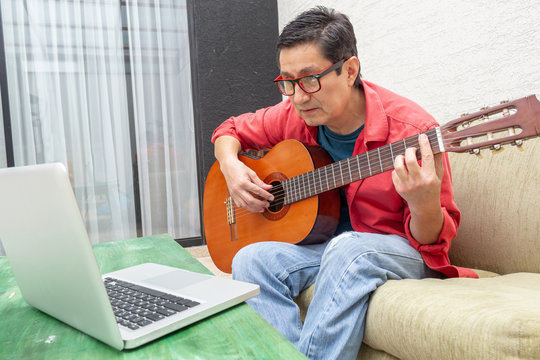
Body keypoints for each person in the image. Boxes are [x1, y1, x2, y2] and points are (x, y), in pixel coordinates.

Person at [211, 6, 477, 360]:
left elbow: (433, 246)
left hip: (397, 250)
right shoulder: (294, 114)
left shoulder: (413, 133)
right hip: (327, 246)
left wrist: (423, 202)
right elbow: (228, 130)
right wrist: (231, 166)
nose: (298, 96)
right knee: (251, 258)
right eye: (287, 82)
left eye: (309, 79)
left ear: (349, 70)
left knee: (348, 247)